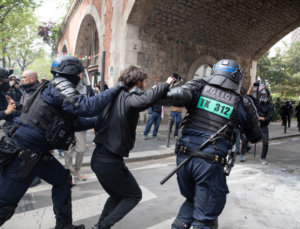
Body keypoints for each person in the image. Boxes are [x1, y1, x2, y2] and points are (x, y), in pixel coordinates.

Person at [0, 55, 127, 229]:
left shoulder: (56, 89)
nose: (80, 77)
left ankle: (64, 226)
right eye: (79, 73)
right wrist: (117, 89)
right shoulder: (60, 84)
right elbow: (86, 107)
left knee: (62, 180)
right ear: (70, 71)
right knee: (4, 206)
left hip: (39, 153)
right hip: (24, 153)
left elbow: (74, 123)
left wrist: (105, 118)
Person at [154, 59, 262, 229]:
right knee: (204, 220)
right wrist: (249, 107)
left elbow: (170, 96)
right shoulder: (239, 102)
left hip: (183, 159)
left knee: (192, 200)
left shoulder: (198, 88)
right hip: (208, 164)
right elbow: (255, 136)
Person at [90, 66, 176, 229]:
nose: (145, 85)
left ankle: (99, 225)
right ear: (138, 83)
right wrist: (166, 84)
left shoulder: (116, 96)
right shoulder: (129, 98)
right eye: (144, 82)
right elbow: (145, 100)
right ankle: (102, 227)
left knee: (116, 196)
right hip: (109, 161)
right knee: (134, 196)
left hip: (98, 159)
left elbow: (143, 101)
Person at [20, 70, 42, 187]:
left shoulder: (40, 91)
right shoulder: (25, 90)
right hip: (25, 126)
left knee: (35, 155)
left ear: (32, 79)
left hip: (35, 129)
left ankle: (36, 176)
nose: (21, 79)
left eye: (24, 77)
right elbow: (24, 107)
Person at [241, 87, 274, 164]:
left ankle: (263, 158)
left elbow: (269, 117)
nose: (263, 96)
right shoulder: (257, 102)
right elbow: (248, 95)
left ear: (268, 96)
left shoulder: (270, 106)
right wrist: (252, 86)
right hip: (255, 124)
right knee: (246, 139)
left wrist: (259, 118)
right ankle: (242, 154)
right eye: (262, 95)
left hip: (263, 125)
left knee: (265, 142)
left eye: (265, 95)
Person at [232, 87, 251, 156]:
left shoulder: (240, 100)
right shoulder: (245, 100)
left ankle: (237, 150)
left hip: (238, 120)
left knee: (237, 134)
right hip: (242, 120)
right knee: (239, 134)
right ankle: (248, 146)